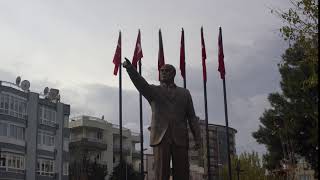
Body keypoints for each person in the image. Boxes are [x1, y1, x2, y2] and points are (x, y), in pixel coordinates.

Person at [123, 58, 201, 180]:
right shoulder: (154, 90)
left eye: (167, 70)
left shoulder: (185, 93)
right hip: (161, 137)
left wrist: (198, 138)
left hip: (180, 137)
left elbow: (192, 117)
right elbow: (140, 83)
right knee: (161, 173)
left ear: (173, 74)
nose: (163, 72)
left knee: (182, 173)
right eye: (162, 70)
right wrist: (130, 69)